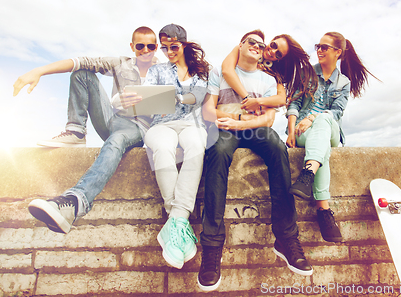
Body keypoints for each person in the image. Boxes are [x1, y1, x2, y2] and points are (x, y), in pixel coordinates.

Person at [12, 26, 158, 234]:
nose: (145, 50)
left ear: (156, 47)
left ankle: (74, 202)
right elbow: (82, 61)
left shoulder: (163, 70)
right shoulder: (121, 64)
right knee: (82, 73)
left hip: (138, 127)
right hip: (113, 119)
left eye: (150, 46)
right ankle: (76, 131)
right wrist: (39, 71)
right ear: (132, 46)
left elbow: (181, 98)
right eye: (140, 46)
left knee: (116, 141)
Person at [198, 30, 313, 292]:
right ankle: (212, 247)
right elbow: (207, 110)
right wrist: (234, 120)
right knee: (216, 152)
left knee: (277, 147)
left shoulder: (268, 78)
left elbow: (270, 120)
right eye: (253, 42)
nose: (259, 47)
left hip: (253, 128)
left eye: (262, 45)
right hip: (226, 128)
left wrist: (245, 121)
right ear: (240, 44)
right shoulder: (221, 71)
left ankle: (286, 238)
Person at [286, 32, 379, 243]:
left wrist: (312, 117)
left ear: (338, 52)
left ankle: (308, 175)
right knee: (321, 152)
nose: (319, 50)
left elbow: (337, 112)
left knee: (325, 119)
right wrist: (291, 131)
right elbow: (293, 104)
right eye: (318, 46)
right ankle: (323, 210)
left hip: (330, 131)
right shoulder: (306, 73)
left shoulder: (343, 83)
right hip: (303, 133)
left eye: (324, 47)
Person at [144, 24, 210, 270]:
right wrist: (156, 100)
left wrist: (175, 97)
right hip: (162, 124)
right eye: (164, 47)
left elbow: (198, 98)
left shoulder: (202, 71)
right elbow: (149, 100)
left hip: (192, 124)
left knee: (196, 147)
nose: (168, 52)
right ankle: (179, 221)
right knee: (162, 148)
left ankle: (174, 222)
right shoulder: (157, 70)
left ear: (183, 44)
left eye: (173, 46)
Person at [221, 34, 318, 112]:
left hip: (252, 116)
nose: (272, 51)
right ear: (271, 40)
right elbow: (227, 70)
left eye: (278, 54)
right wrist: (247, 97)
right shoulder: (244, 49)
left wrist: (257, 102)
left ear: (280, 59)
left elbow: (281, 99)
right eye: (274, 45)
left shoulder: (274, 75)